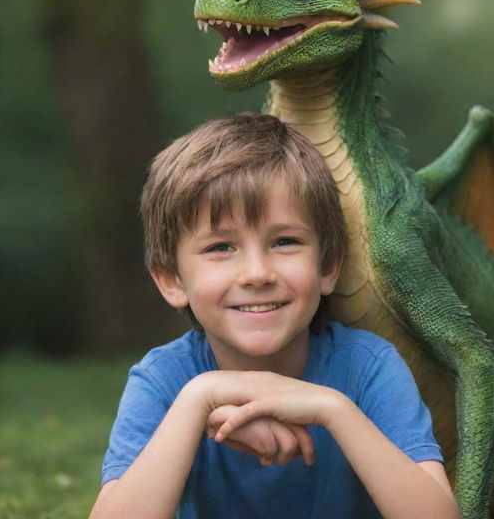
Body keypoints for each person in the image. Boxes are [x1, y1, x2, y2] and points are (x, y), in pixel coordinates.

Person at [89, 112, 460, 519]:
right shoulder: (165, 380)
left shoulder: (367, 367)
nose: (257, 274)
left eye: (284, 241)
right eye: (220, 248)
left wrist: (332, 409)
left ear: (328, 267)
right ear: (171, 280)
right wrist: (200, 398)